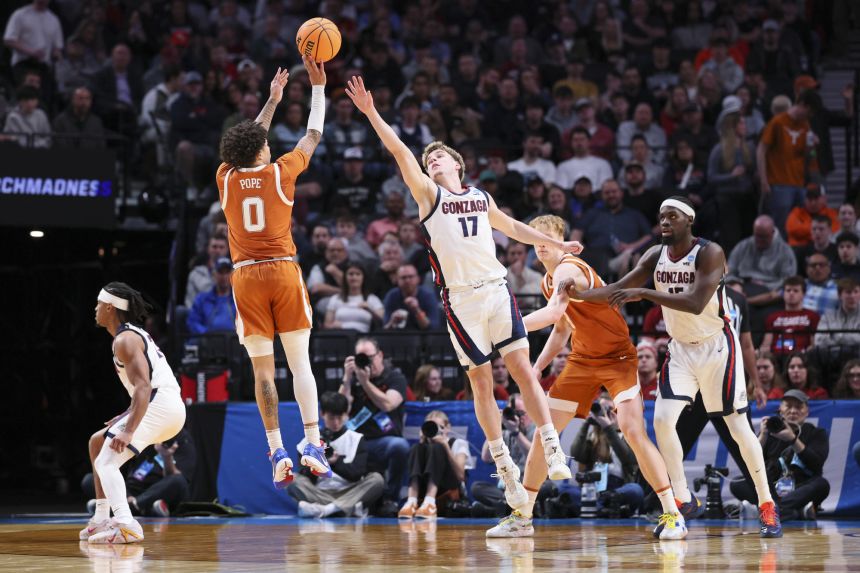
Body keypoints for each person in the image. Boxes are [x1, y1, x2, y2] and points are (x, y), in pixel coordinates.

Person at [346, 75, 577, 510]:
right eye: (428, 157)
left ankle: (551, 447)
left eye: (438, 157)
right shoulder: (427, 194)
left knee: (524, 371)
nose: (431, 160)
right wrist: (371, 112)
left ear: (458, 165)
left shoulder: (480, 196)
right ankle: (505, 466)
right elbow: (399, 151)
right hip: (459, 299)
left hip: (495, 290)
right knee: (481, 381)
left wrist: (559, 245)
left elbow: (511, 227)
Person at [568, 196, 782, 537]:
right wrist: (578, 295)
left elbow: (696, 303)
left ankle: (767, 503)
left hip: (717, 348)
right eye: (661, 217)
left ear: (689, 221)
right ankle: (682, 498)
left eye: (671, 216)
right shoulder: (654, 255)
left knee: (739, 429)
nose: (664, 222)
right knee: (663, 421)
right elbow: (619, 290)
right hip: (681, 349)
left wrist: (647, 293)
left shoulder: (710, 253)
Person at [490, 214, 686, 540]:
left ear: (559, 238)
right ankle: (523, 517)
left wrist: (507, 325)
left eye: (546, 237)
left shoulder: (569, 269)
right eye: (533, 239)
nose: (539, 245)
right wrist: (538, 366)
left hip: (618, 357)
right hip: (582, 360)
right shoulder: (546, 280)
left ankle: (672, 514)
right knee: (544, 432)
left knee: (633, 431)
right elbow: (562, 326)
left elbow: (553, 312)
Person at [216, 59, 333, 488]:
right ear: (262, 150)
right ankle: (313, 443)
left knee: (263, 372)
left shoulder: (225, 178)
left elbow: (248, 139)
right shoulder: (281, 171)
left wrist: (271, 100)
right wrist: (317, 88)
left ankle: (277, 449)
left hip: (246, 276)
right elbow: (313, 134)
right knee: (300, 364)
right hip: (283, 271)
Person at [81, 283, 186, 544]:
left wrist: (128, 431)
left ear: (109, 307)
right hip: (164, 404)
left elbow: (144, 385)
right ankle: (102, 517)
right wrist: (126, 415)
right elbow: (146, 384)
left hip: (161, 404)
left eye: (98, 304)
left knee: (107, 462)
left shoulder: (125, 339)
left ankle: (128, 525)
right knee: (97, 441)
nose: (95, 309)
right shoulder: (131, 335)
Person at [730, 390, 830, 521]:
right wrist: (763, 436)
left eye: (799, 407)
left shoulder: (816, 433)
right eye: (788, 406)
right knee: (736, 483)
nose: (793, 411)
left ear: (807, 411)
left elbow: (816, 464)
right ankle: (794, 512)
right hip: (771, 488)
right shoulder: (770, 431)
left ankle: (768, 510)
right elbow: (749, 462)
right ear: (780, 410)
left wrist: (793, 440)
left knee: (822, 485)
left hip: (800, 488)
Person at [288, 392, 384, 518]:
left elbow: (356, 474)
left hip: (350, 490)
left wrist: (336, 463)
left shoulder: (356, 439)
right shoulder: (307, 442)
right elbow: (306, 477)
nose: (336, 422)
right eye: (331, 418)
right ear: (322, 414)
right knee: (290, 479)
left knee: (377, 480)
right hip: (319, 492)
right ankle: (347, 508)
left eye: (340, 417)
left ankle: (327, 509)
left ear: (346, 415)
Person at [339, 337, 410, 506]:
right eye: (360, 357)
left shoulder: (395, 377)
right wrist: (347, 379)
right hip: (355, 442)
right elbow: (338, 410)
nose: (365, 362)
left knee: (399, 446)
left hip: (383, 441)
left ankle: (390, 499)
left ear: (380, 355)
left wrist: (365, 382)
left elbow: (388, 404)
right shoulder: (353, 379)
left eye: (368, 357)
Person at [82, 428, 196, 519]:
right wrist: (127, 495)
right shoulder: (143, 430)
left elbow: (178, 477)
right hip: (130, 491)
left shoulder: (182, 439)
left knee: (178, 481)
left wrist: (167, 457)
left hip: (156, 492)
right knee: (90, 479)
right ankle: (139, 509)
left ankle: (126, 508)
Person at [568, 395, 645, 515]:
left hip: (619, 489)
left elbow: (628, 459)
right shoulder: (592, 438)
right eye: (601, 409)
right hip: (592, 489)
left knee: (636, 490)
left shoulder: (628, 437)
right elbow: (576, 454)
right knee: (565, 490)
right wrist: (587, 423)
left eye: (609, 410)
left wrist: (610, 428)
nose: (604, 413)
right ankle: (606, 509)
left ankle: (598, 507)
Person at [399, 410, 471, 519]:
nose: (435, 431)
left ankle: (430, 502)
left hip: (449, 489)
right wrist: (423, 441)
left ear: (447, 427)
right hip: (423, 490)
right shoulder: (422, 447)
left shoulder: (458, 443)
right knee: (416, 447)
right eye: (431, 427)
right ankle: (411, 501)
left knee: (437, 447)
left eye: (439, 427)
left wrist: (445, 446)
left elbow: (461, 476)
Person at [759, 276, 820, 357]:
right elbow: (766, 345)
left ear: (803, 294)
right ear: (783, 293)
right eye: (788, 290)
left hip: (802, 357)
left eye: (796, 291)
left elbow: (813, 345)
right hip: (776, 358)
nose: (791, 293)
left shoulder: (812, 316)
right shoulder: (772, 317)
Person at [323, 263, 384, 333]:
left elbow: (382, 322)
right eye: (351, 274)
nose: (354, 277)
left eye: (358, 274)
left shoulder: (373, 299)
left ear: (363, 278)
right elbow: (326, 325)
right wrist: (333, 326)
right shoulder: (335, 299)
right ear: (345, 277)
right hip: (341, 337)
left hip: (364, 338)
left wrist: (369, 310)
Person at [381, 264, 441, 330]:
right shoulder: (392, 296)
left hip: (424, 338)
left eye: (411, 277)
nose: (407, 280)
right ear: (397, 280)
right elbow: (385, 329)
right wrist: (392, 321)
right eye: (403, 277)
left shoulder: (428, 295)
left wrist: (417, 310)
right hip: (399, 337)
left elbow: (432, 328)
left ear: (418, 279)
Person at [186, 257, 237, 334]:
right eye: (220, 272)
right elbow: (193, 322)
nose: (224, 276)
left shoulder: (240, 300)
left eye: (227, 272)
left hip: (234, 342)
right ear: (213, 274)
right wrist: (206, 334)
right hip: (207, 341)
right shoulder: (201, 299)